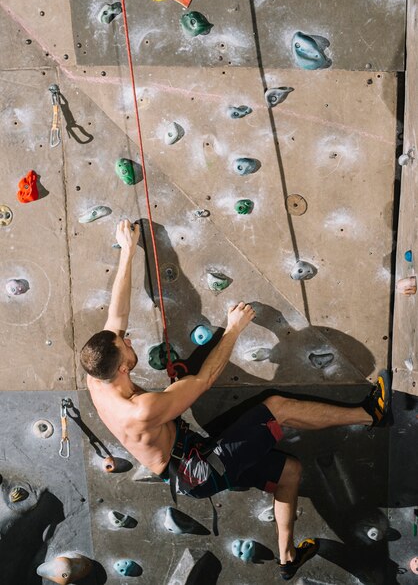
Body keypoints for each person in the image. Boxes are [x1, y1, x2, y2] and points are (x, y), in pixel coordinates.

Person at [81, 219, 392, 581]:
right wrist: (233, 329)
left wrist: (129, 251)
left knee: (290, 471)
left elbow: (116, 317)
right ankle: (371, 414)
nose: (130, 340)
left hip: (188, 454)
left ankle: (288, 557)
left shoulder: (97, 374)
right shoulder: (141, 410)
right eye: (127, 347)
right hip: (196, 470)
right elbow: (205, 379)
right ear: (120, 369)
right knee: (277, 407)